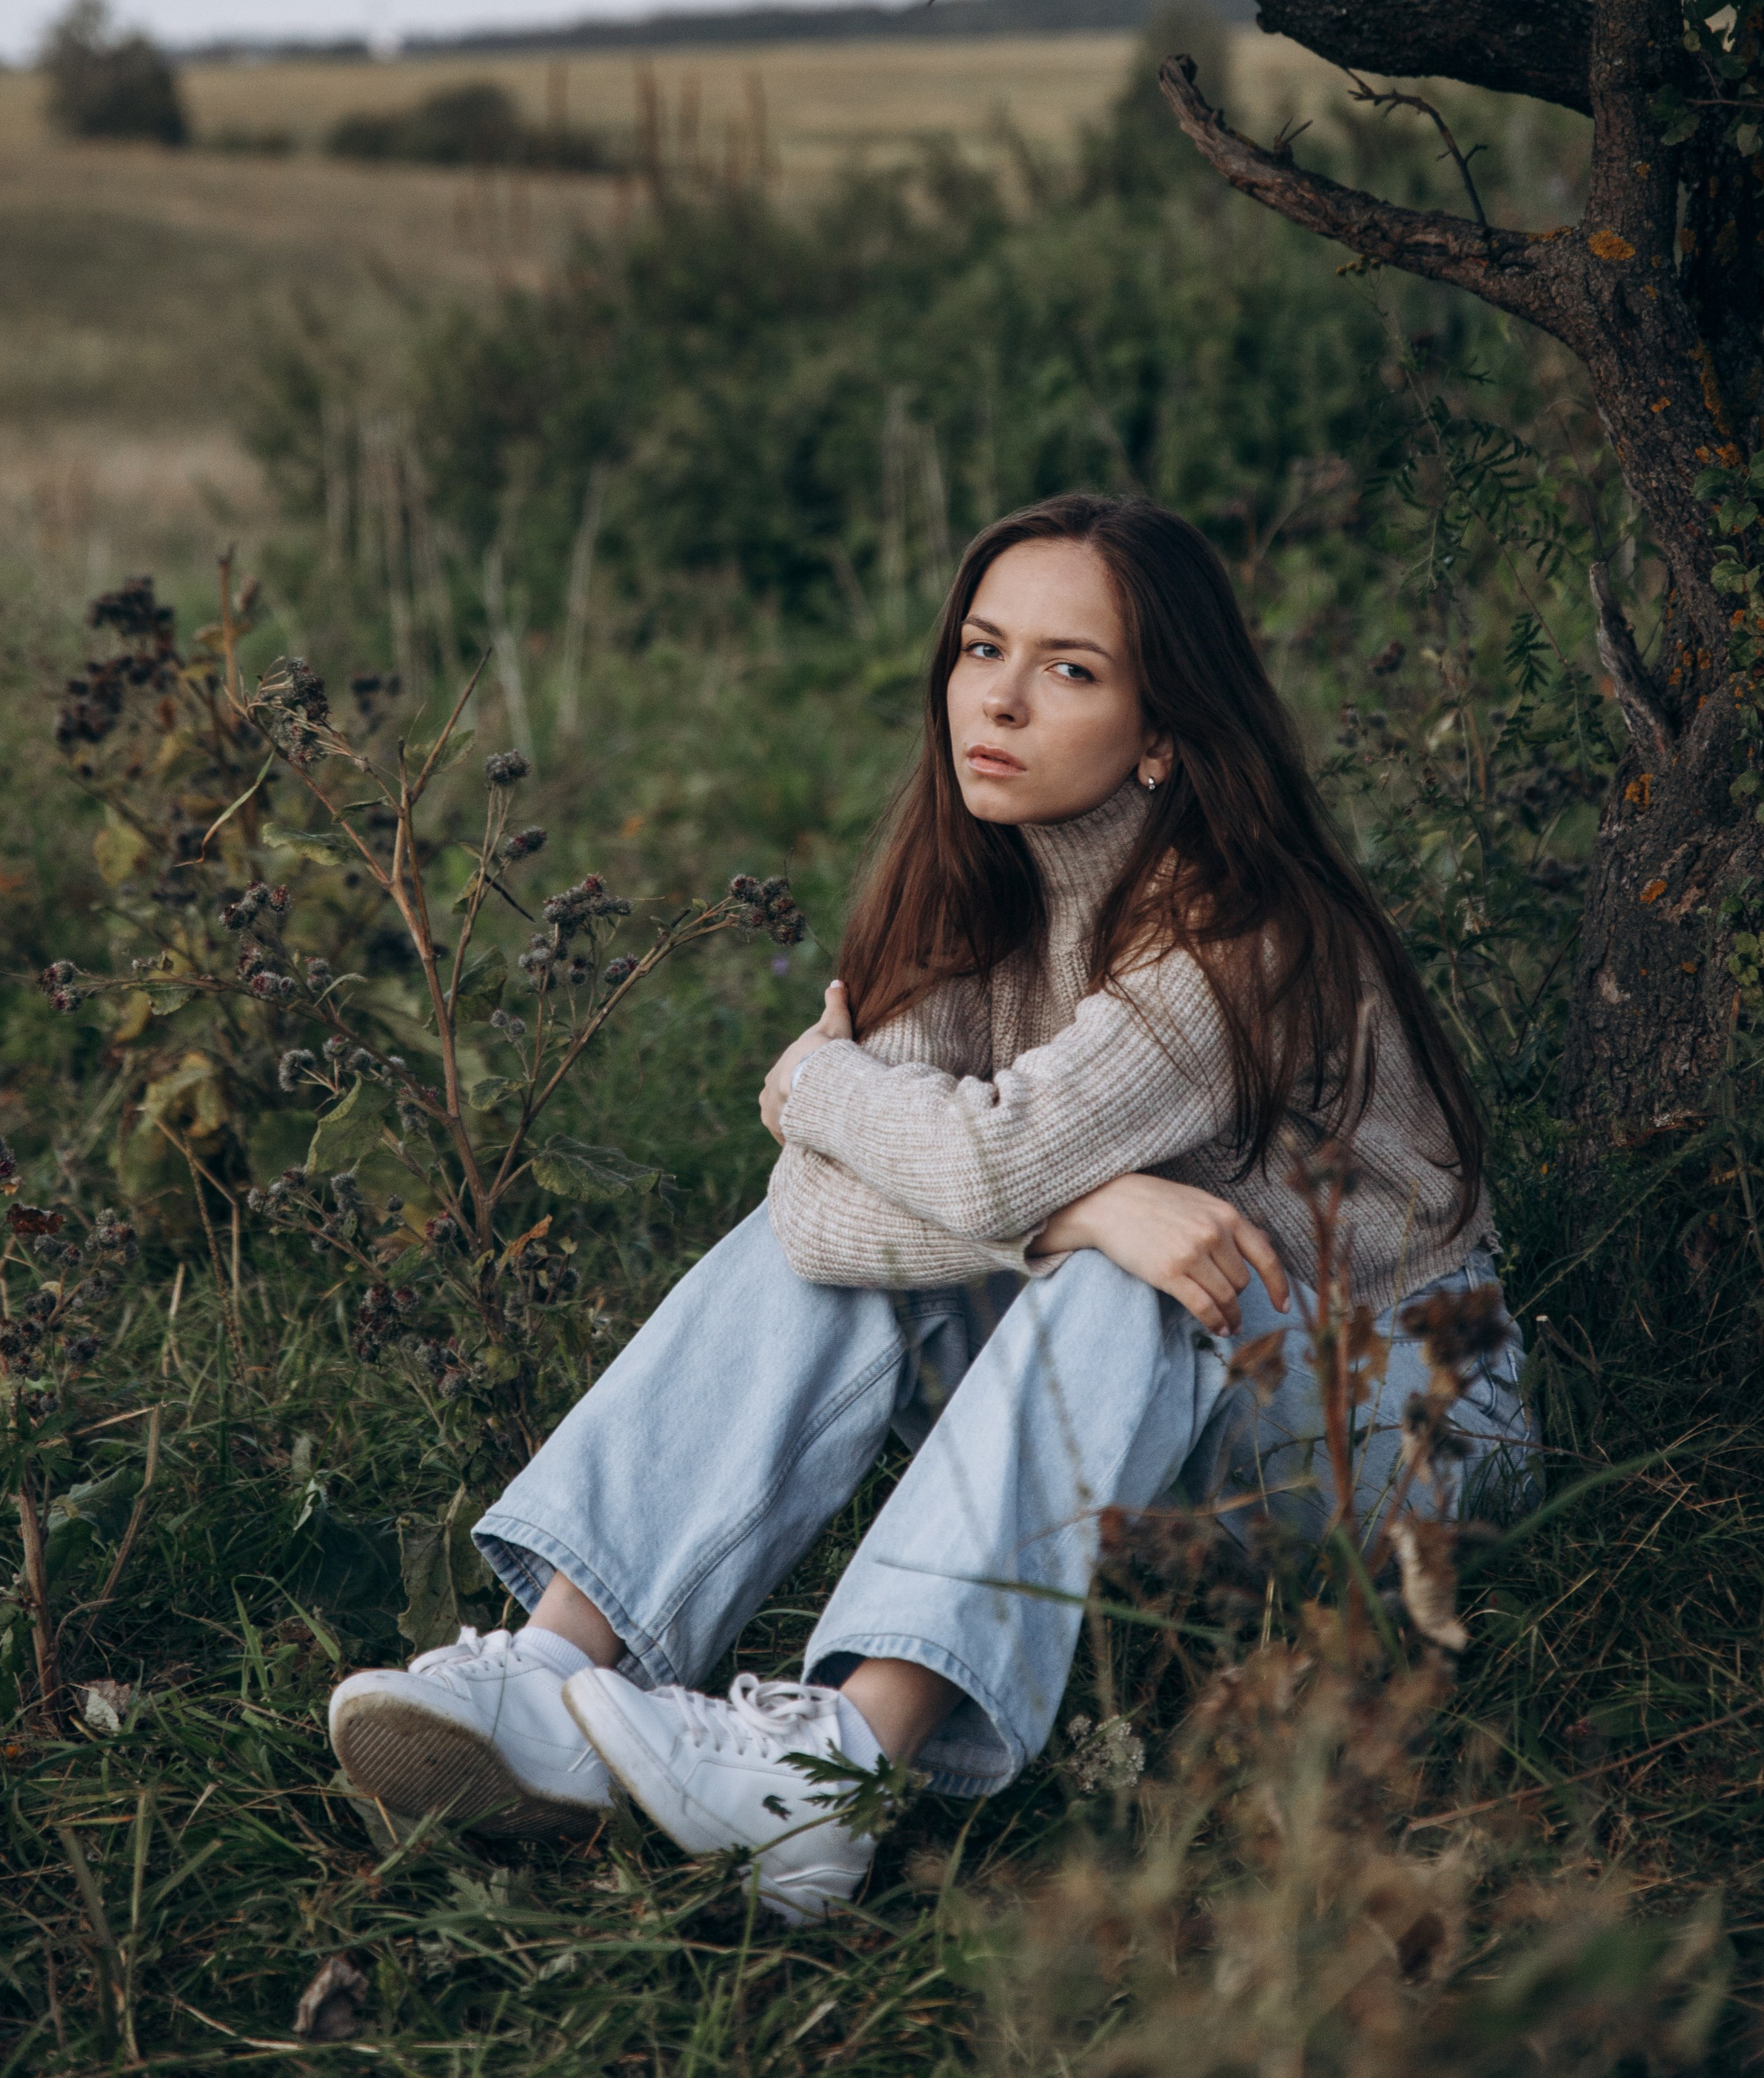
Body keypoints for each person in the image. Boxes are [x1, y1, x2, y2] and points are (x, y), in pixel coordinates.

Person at [327, 494, 1532, 1922]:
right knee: (997, 1250)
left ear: (1164, 730)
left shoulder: (1239, 932)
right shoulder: (977, 901)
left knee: (1132, 1271)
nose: (1000, 702)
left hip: (1391, 1428)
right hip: (1165, 1401)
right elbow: (816, 1222)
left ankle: (830, 1774)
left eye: (1070, 670)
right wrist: (1068, 1212)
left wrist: (814, 1078)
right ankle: (556, 1672)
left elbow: (972, 1168)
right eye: (980, 648)